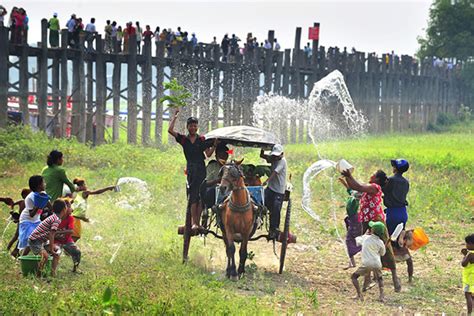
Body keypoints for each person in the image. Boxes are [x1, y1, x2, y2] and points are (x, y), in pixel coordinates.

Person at [342, 169, 401, 292]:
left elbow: (357, 185)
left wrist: (349, 175)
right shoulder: (369, 188)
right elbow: (354, 187)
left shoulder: (375, 187)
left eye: (373, 174)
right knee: (367, 248)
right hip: (366, 221)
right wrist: (347, 177)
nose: (371, 175)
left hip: (376, 221)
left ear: (377, 179)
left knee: (386, 249)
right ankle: (367, 280)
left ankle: (395, 278)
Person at [168, 108, 216, 232]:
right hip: (191, 170)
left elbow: (209, 154)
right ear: (187, 127)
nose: (193, 128)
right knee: (193, 196)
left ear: (197, 127)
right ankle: (193, 223)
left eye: (195, 126)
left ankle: (197, 223)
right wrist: (175, 116)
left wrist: (215, 145)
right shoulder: (184, 139)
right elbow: (170, 130)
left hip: (201, 169)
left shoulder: (202, 140)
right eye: (191, 126)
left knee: (200, 196)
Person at [27, 199, 67, 277]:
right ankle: (38, 275)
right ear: (64, 209)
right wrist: (51, 249)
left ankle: (53, 273)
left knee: (57, 252)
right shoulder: (56, 220)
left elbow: (51, 232)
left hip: (42, 241)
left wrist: (57, 236)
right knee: (45, 256)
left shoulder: (54, 217)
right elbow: (51, 234)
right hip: (35, 240)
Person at [351, 221, 387, 302]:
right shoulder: (380, 242)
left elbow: (357, 240)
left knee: (354, 277)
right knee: (380, 278)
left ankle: (359, 295)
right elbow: (382, 253)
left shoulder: (366, 238)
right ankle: (381, 296)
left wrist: (364, 235)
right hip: (377, 263)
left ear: (372, 230)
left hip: (367, 263)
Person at [18, 176, 51, 254]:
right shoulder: (30, 197)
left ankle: (45, 256)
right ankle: (23, 258)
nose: (45, 184)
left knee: (44, 238)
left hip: (36, 221)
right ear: (39, 185)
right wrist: (38, 204)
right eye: (44, 183)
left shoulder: (43, 194)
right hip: (27, 220)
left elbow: (50, 207)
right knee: (31, 240)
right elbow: (31, 214)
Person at [260, 144, 287, 239]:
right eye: (274, 155)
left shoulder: (282, 162)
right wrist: (262, 147)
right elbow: (262, 156)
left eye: (277, 155)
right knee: (260, 201)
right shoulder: (273, 159)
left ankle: (274, 229)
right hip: (270, 188)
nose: (275, 157)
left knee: (275, 209)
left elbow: (274, 173)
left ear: (282, 154)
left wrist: (266, 181)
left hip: (278, 191)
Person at [339, 177, 362, 269]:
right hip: (353, 221)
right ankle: (352, 262)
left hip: (355, 222)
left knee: (353, 240)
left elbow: (353, 192)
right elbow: (349, 189)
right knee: (352, 240)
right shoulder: (353, 195)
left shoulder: (355, 200)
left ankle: (353, 262)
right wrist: (344, 182)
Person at [383, 159, 410, 235]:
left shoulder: (390, 180)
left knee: (391, 238)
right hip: (402, 212)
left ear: (395, 168)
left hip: (393, 213)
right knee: (400, 238)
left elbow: (383, 190)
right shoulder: (406, 182)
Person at [55, 198, 82, 272]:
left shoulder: (70, 218)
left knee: (77, 252)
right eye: (69, 207)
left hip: (67, 240)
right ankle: (51, 269)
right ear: (64, 209)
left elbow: (70, 231)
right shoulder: (55, 218)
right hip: (55, 241)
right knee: (54, 252)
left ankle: (75, 269)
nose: (72, 209)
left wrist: (58, 233)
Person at [201, 144, 229, 209]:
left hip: (228, 191)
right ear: (216, 157)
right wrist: (217, 180)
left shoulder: (229, 167)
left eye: (224, 156)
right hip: (214, 191)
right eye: (220, 156)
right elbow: (206, 183)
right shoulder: (212, 167)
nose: (222, 158)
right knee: (211, 192)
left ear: (227, 156)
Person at [6, 188, 31, 258]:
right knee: (17, 236)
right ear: (24, 195)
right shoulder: (24, 202)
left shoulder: (25, 202)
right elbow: (13, 204)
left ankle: (13, 251)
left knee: (18, 237)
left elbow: (13, 204)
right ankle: (10, 250)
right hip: (22, 222)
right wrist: (12, 212)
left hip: (23, 222)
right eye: (28, 195)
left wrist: (12, 210)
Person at [462, 233, 474, 316]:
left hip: (469, 278)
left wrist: (465, 255)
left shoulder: (470, 254)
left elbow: (463, 264)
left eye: (467, 243)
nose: (466, 245)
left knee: (468, 295)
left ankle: (469, 313)